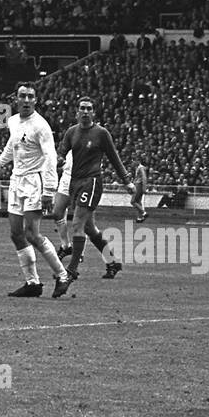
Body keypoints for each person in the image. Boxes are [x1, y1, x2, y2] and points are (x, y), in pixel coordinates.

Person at [0, 82, 71, 298]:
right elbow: (11, 147)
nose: (27, 100)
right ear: (17, 99)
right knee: (16, 233)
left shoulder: (41, 126)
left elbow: (50, 158)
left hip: (35, 183)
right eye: (23, 96)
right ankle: (32, 283)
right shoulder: (12, 121)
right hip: (17, 181)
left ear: (36, 100)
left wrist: (49, 190)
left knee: (32, 233)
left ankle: (63, 275)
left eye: (31, 96)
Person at [53, 95, 134, 283]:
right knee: (89, 228)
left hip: (92, 182)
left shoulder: (101, 133)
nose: (86, 112)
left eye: (89, 108)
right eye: (83, 108)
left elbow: (114, 158)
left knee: (77, 224)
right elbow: (61, 151)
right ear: (77, 111)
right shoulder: (71, 132)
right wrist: (59, 159)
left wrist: (127, 181)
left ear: (94, 112)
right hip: (75, 183)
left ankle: (71, 271)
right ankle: (113, 261)